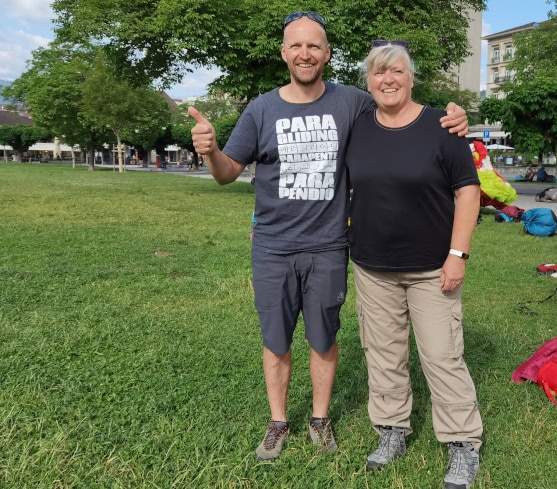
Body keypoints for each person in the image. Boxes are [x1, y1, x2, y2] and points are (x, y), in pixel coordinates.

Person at [188, 10, 469, 462]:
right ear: (283, 53)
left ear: (327, 54)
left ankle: (320, 419)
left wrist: (455, 115)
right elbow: (227, 174)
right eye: (296, 45)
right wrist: (210, 150)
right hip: (273, 247)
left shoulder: (353, 102)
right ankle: (278, 422)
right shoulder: (260, 109)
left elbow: (403, 109)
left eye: (314, 45)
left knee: (323, 338)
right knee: (275, 341)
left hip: (330, 246)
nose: (305, 53)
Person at [345, 43, 483, 488]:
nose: (388, 80)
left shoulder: (443, 127)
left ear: (411, 77)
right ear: (368, 82)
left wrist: (457, 255)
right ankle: (391, 431)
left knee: (442, 356)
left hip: (431, 269)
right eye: (379, 73)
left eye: (397, 71)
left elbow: (468, 192)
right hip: (372, 266)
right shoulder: (358, 127)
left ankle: (463, 444)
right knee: (383, 354)